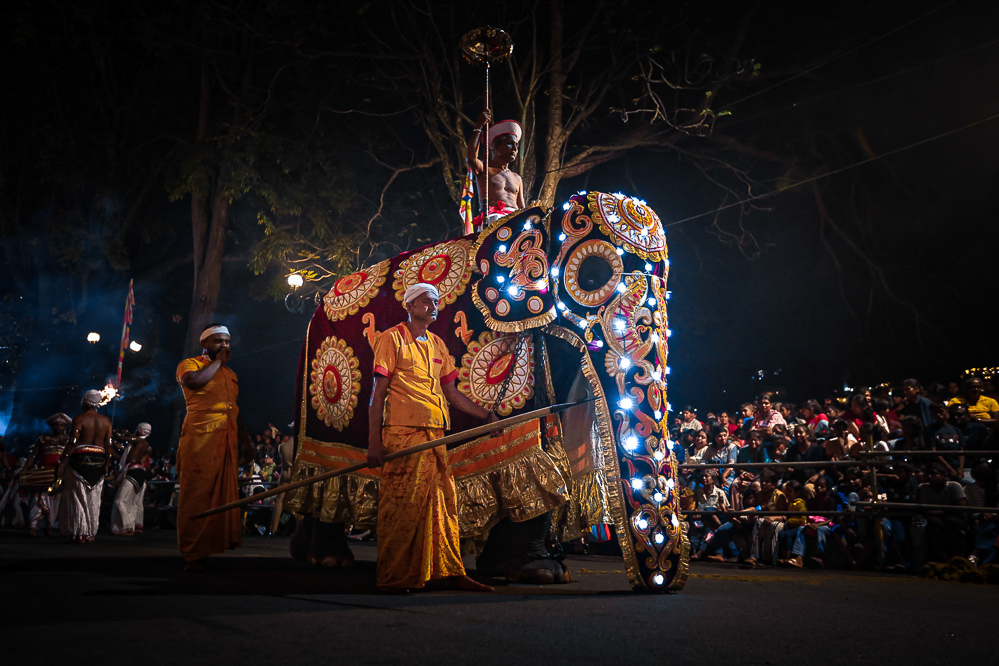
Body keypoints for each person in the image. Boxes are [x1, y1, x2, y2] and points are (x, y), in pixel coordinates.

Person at [367, 282, 495, 594]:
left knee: (442, 504)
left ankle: (449, 571)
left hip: (435, 434)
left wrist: (486, 417)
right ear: (409, 306)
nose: (432, 306)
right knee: (403, 506)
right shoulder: (391, 338)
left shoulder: (438, 344)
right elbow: (378, 394)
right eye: (425, 301)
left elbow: (452, 394)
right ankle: (395, 576)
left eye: (435, 301)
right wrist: (374, 441)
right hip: (402, 433)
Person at [176, 323, 254, 571]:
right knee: (196, 495)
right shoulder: (190, 365)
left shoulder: (230, 374)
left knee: (220, 497)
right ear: (205, 344)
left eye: (228, 342)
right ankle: (191, 553)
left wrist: (246, 441)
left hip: (226, 440)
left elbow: (235, 409)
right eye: (219, 341)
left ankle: (210, 547)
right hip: (200, 439)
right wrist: (218, 362)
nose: (225, 346)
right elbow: (194, 383)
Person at [58, 391, 111, 543]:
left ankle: (78, 533)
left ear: (86, 402)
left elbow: (73, 442)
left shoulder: (79, 419)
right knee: (93, 498)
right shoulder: (106, 421)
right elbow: (109, 445)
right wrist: (107, 464)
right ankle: (90, 533)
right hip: (100, 461)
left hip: (80, 461)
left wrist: (63, 461)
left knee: (77, 497)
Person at [465, 111, 525, 228]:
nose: (514, 148)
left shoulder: (517, 178)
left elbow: (522, 207)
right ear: (497, 146)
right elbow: (471, 159)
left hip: (516, 222)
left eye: (516, 145)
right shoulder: (485, 170)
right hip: (494, 221)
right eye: (510, 144)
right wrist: (478, 128)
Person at [23, 413, 72, 536]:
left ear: (65, 426)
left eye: (61, 425)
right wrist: (25, 468)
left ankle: (49, 526)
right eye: (55, 425)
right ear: (52, 426)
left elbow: (71, 457)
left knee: (55, 500)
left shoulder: (69, 440)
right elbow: (33, 455)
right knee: (37, 498)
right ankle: (33, 526)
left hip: (59, 474)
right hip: (41, 473)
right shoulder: (43, 439)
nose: (58, 427)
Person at [110, 422, 152, 536]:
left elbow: (124, 438)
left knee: (120, 501)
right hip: (138, 472)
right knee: (134, 502)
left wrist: (115, 433)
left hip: (134, 472)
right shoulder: (145, 445)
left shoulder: (138, 441)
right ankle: (134, 525)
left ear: (138, 429)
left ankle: (128, 526)